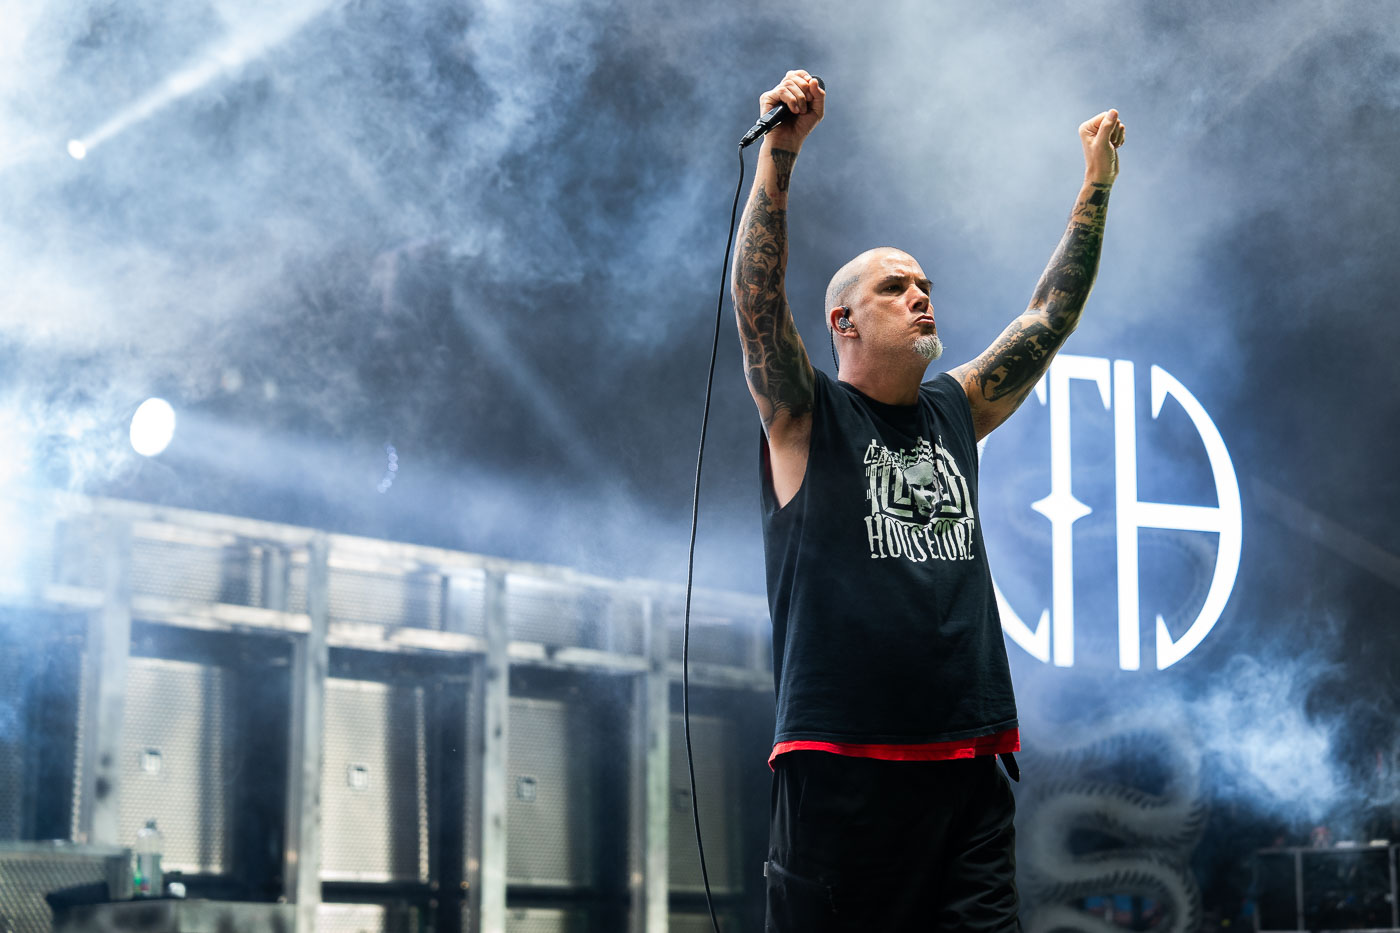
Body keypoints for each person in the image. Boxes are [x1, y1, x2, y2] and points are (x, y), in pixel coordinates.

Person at [730, 70, 1124, 932]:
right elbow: (758, 314)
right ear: (843, 322)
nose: (921, 295)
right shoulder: (808, 415)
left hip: (966, 766)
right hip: (842, 769)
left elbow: (1047, 316)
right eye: (894, 288)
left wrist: (1094, 186)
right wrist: (782, 157)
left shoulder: (953, 408)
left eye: (926, 285)